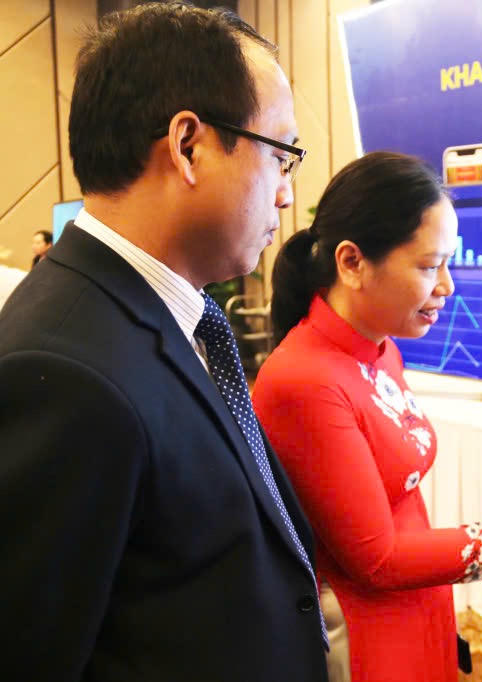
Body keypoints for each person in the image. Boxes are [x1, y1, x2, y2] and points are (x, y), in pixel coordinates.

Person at [0, 4, 328, 680]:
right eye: (281, 155)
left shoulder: (170, 313)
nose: (286, 196)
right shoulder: (64, 369)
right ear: (188, 146)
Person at [252, 151, 482, 682]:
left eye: (449, 262)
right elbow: (377, 560)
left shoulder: (380, 348)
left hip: (416, 606)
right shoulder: (305, 381)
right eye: (430, 266)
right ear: (352, 262)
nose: (448, 286)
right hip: (366, 634)